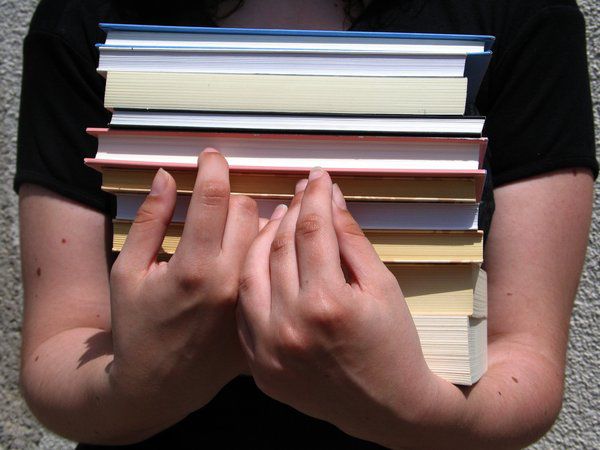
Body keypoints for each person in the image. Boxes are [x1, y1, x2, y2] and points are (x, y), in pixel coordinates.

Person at [15, 0, 598, 448]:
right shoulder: (86, 14)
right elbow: (54, 357)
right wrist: (144, 385)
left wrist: (415, 411)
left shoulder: (524, 12)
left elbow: (527, 364)